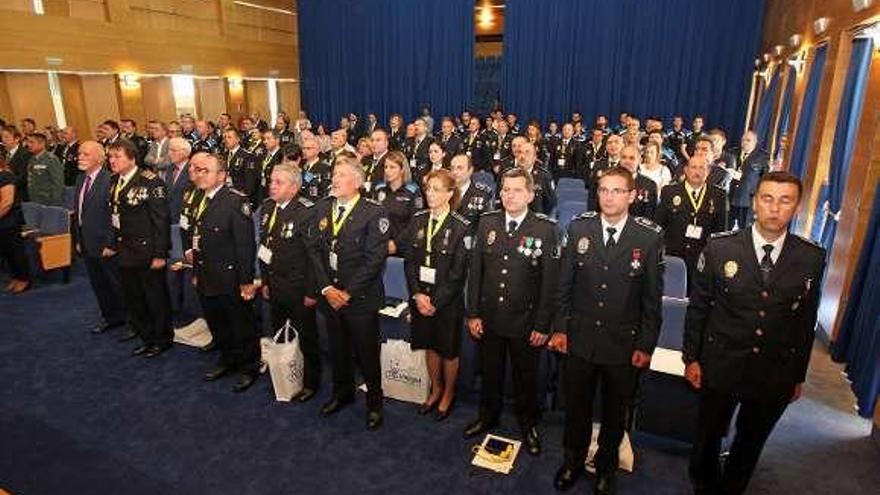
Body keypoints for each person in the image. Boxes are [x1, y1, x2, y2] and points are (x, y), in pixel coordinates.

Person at [683, 172, 825, 495]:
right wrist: (691, 358)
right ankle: (703, 484)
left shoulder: (811, 257)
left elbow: (806, 320)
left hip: (774, 370)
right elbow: (698, 308)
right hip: (721, 363)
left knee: (751, 440)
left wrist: (797, 375)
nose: (775, 208)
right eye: (767, 198)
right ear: (754, 202)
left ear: (797, 206)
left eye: (785, 200)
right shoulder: (721, 248)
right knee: (707, 435)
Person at [550, 167, 664, 494]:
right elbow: (564, 286)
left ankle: (606, 466)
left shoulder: (648, 236)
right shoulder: (579, 227)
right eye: (603, 190)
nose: (609, 197)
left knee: (616, 411)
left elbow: (652, 300)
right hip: (580, 338)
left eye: (616, 191)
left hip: (622, 343)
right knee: (577, 407)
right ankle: (572, 460)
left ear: (631, 196)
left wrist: (646, 343)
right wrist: (560, 329)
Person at [464, 167, 560, 456]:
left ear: (531, 194)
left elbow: (549, 284)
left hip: (525, 321)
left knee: (525, 377)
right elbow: (476, 271)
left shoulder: (546, 228)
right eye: (505, 189)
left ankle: (528, 423)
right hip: (490, 316)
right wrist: (473, 313)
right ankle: (487, 415)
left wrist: (543, 325)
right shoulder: (487, 222)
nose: (510, 195)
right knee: (490, 372)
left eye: (517, 190)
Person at [307, 155, 389, 431]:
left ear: (357, 182)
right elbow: (314, 251)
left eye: (341, 175)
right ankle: (342, 394)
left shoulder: (373, 212)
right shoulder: (322, 208)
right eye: (334, 174)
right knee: (338, 350)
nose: (334, 179)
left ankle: (375, 405)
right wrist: (328, 289)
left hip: (360, 299)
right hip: (330, 296)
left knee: (367, 354)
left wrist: (348, 293)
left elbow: (374, 259)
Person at [399, 169, 470, 421]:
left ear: (450, 194)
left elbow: (458, 274)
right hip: (421, 299)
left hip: (447, 302)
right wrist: (417, 296)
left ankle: (448, 392)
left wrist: (435, 302)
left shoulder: (461, 227)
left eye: (437, 189)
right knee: (429, 344)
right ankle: (435, 388)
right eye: (428, 188)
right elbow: (409, 263)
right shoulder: (418, 220)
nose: (430, 193)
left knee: (448, 350)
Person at [191, 153, 259, 392]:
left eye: (206, 171)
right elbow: (198, 238)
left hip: (230, 276)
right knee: (218, 322)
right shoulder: (199, 197)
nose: (200, 174)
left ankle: (250, 366)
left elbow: (245, 245)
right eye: (198, 170)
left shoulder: (234, 201)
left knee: (241, 324)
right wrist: (197, 271)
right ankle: (228, 359)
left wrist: (246, 281)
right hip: (207, 273)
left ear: (222, 176)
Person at [258, 163, 320, 402]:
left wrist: (312, 291)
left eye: (278, 182)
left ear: (294, 187)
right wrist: (264, 281)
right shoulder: (266, 208)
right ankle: (284, 372)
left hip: (299, 287)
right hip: (274, 284)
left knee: (306, 337)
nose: (271, 186)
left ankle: (310, 382)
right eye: (271, 181)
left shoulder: (306, 212)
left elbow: (314, 257)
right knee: (279, 332)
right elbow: (266, 247)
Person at [107, 140, 173, 358]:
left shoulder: (151, 183)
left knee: (154, 298)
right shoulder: (114, 181)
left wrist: (160, 254)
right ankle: (147, 336)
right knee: (134, 298)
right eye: (110, 156)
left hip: (147, 252)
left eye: (117, 156)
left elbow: (161, 222)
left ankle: (162, 339)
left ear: (132, 158)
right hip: (125, 250)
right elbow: (114, 216)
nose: (112, 161)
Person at [655, 156, 728, 293]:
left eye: (702, 168)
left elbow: (721, 231)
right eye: (693, 167)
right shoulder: (670, 192)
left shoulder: (719, 195)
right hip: (674, 255)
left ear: (708, 172)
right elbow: (659, 225)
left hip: (702, 257)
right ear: (686, 170)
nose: (697, 172)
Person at [74, 141, 126, 332]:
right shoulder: (81, 179)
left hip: (106, 244)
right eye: (79, 154)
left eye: (85, 154)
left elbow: (116, 217)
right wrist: (79, 240)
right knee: (99, 284)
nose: (80, 157)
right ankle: (110, 318)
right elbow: (78, 213)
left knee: (117, 285)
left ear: (100, 158)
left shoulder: (111, 180)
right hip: (87, 243)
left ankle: (131, 321)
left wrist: (111, 243)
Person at [371, 150, 421, 255]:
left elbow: (416, 222)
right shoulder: (379, 188)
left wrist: (396, 243)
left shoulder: (412, 191)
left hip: (402, 247)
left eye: (392, 167)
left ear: (402, 169)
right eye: (385, 167)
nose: (387, 171)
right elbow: (372, 217)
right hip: (378, 245)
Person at [728, 131, 770, 230]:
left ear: (755, 142)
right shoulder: (732, 152)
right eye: (743, 140)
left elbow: (764, 179)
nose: (745, 142)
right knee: (726, 226)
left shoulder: (762, 157)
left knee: (745, 228)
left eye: (748, 140)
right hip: (730, 196)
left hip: (747, 199)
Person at [0, 157, 30, 294]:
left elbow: (7, 202)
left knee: (15, 252)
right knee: (7, 252)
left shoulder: (5, 176)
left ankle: (24, 279)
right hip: (3, 221)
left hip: (9, 221)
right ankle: (15, 277)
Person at [450, 153, 494, 226]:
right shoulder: (445, 191)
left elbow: (488, 223)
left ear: (470, 170)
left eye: (459, 168)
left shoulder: (483, 194)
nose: (455, 172)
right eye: (452, 168)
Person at [618, 144, 658, 221]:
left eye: (632, 158)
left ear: (639, 160)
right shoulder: (608, 181)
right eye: (624, 157)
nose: (627, 161)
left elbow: (649, 217)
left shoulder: (649, 185)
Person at [25, 132, 64, 206]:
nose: (28, 145)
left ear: (42, 144)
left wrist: (55, 203)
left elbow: (58, 183)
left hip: (48, 201)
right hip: (35, 200)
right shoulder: (32, 160)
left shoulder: (51, 159)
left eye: (32, 142)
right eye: (28, 142)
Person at [223, 128, 259, 206]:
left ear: (237, 139)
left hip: (240, 196)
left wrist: (245, 195)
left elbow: (250, 180)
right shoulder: (224, 155)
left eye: (229, 137)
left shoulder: (246, 156)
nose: (226, 140)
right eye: (225, 137)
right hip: (226, 194)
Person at [164, 137, 192, 221]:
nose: (169, 154)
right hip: (168, 217)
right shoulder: (170, 168)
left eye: (173, 151)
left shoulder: (192, 170)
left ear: (185, 152)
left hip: (183, 218)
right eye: (169, 150)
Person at [300, 135, 333, 201]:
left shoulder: (324, 168)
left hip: (315, 202)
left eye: (308, 148)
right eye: (303, 148)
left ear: (317, 150)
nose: (304, 151)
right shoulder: (301, 165)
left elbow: (324, 190)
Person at [257, 129, 284, 203]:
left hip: (274, 193)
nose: (265, 141)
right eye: (264, 139)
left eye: (268, 139)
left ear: (277, 140)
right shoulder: (262, 154)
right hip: (262, 190)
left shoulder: (282, 156)